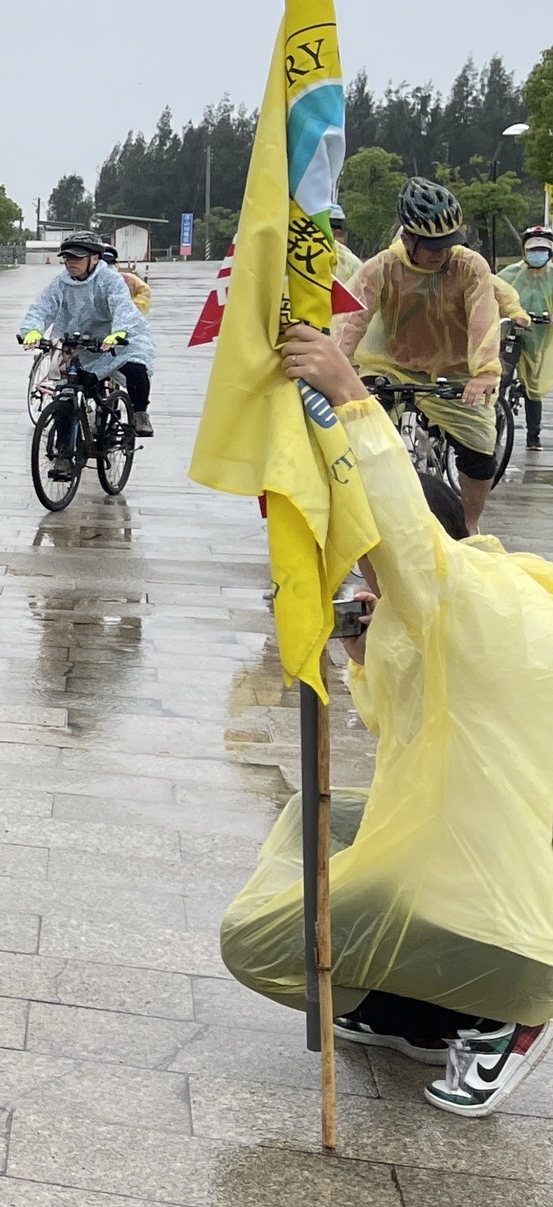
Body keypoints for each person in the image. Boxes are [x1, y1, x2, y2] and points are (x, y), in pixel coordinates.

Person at [215, 323, 553, 1119]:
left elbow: (402, 528)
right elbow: (402, 725)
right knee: (320, 818)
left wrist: (348, 393)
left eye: (360, 555)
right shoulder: (483, 598)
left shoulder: (450, 593)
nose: (358, 571)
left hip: (514, 914)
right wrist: (367, 648)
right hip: (505, 851)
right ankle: (424, 1011)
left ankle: (515, 1013)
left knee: (257, 943)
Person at [335, 177, 505, 530]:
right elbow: (351, 322)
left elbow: (484, 320)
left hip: (456, 373)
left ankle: (469, 528)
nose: (440, 253)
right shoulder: (381, 267)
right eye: (431, 245)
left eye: (448, 244)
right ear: (408, 238)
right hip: (390, 367)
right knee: (353, 433)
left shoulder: (469, 267)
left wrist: (486, 372)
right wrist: (336, 371)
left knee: (480, 452)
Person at [18, 231, 157, 440]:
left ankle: (140, 413)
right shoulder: (61, 283)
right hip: (78, 344)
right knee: (66, 395)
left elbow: (122, 306)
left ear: (94, 258)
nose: (70, 262)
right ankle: (63, 457)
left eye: (77, 257)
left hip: (116, 340)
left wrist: (118, 332)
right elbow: (42, 307)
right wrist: (32, 330)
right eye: (67, 257)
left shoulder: (111, 280)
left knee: (136, 367)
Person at [500, 224, 553, 450]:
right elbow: (494, 294)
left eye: (542, 249)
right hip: (510, 334)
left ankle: (534, 436)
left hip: (539, 339)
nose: (537, 254)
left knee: (534, 386)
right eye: (532, 249)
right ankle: (493, 426)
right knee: (500, 378)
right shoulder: (510, 274)